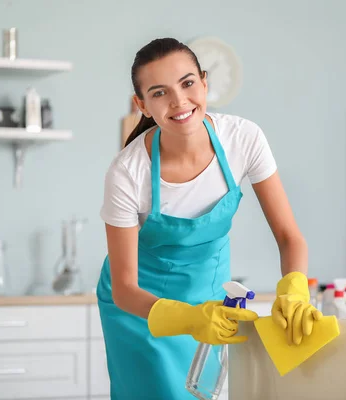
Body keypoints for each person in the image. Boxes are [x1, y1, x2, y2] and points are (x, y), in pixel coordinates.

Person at [96, 37, 323, 399]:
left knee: (205, 393)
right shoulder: (127, 173)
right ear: (142, 104)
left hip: (210, 295)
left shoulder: (243, 139)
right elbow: (125, 288)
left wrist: (295, 291)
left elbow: (288, 236)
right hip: (142, 308)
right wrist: (188, 318)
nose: (179, 101)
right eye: (159, 93)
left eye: (187, 83)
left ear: (204, 82)